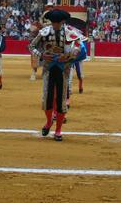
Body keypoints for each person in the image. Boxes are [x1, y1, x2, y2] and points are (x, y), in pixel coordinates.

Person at [29, 9, 86, 141]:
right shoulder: (45, 32)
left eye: (58, 23)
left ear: (63, 22)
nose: (55, 25)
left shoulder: (71, 32)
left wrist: (69, 56)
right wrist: (42, 55)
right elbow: (32, 46)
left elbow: (79, 47)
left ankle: (58, 130)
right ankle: (49, 122)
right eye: (53, 23)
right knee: (47, 98)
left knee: (61, 99)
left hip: (64, 69)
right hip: (49, 68)